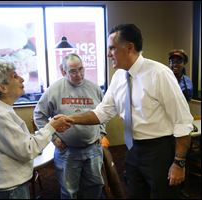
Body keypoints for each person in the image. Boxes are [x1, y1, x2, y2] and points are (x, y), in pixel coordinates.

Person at [59, 24, 194, 199]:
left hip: (159, 150)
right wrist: (70, 119)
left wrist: (179, 163)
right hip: (132, 149)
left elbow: (182, 122)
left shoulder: (159, 74)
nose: (108, 54)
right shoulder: (118, 77)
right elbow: (101, 113)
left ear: (129, 47)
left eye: (112, 48)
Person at [0, 61, 71, 199]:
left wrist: (50, 128)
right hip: (9, 191)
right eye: (15, 76)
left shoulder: (1, 110)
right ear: (2, 87)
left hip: (8, 187)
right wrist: (52, 127)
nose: (22, 79)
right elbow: (27, 150)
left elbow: (21, 143)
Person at [34, 53, 107, 199]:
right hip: (67, 151)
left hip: (93, 148)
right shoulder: (54, 90)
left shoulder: (95, 88)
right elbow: (38, 115)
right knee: (69, 191)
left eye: (81, 69)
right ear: (63, 71)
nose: (79, 74)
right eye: (73, 71)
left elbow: (104, 113)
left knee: (95, 188)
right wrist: (53, 138)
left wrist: (101, 132)